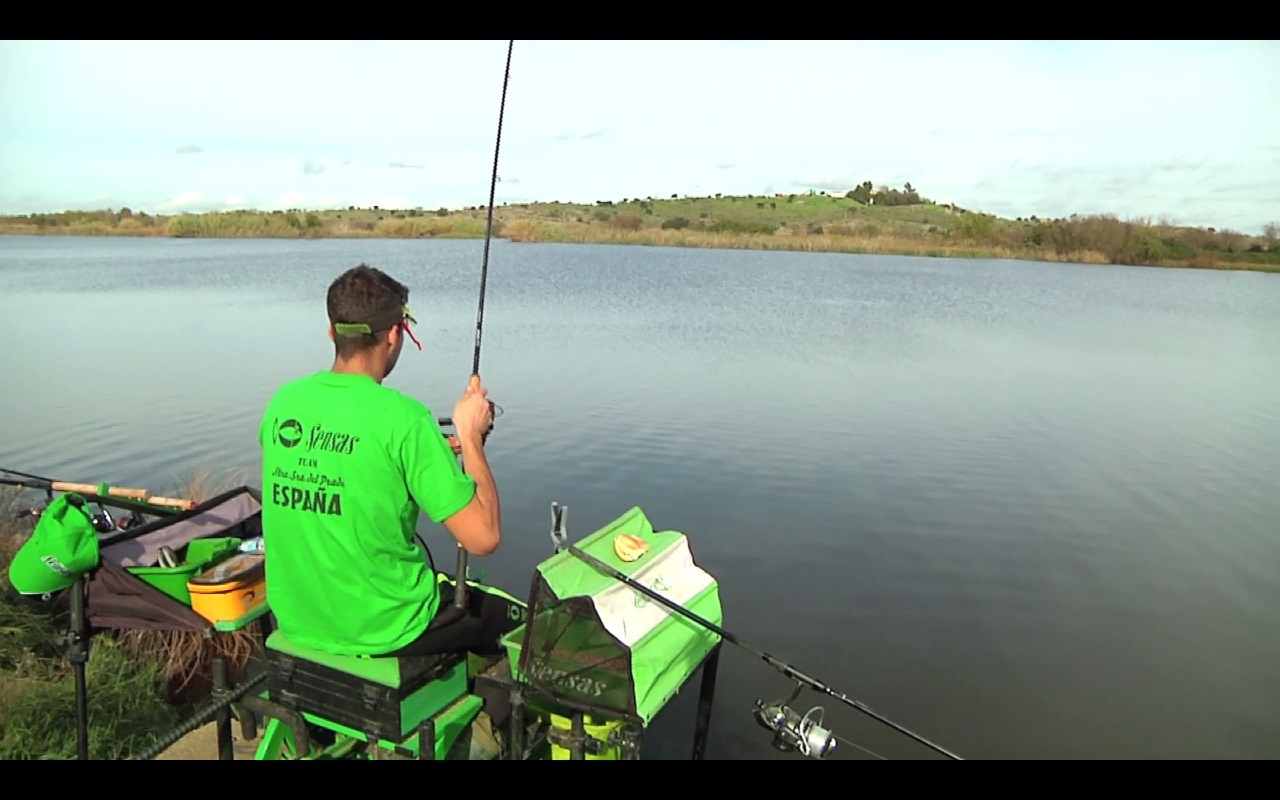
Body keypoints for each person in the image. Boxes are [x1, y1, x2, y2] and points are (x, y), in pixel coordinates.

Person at [257, 264, 523, 669]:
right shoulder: (405, 419)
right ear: (395, 335)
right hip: (387, 627)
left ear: (332, 332)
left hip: (297, 619)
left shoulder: (284, 402)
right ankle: (492, 723)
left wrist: (424, 457)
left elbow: (342, 459)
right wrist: (470, 437)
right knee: (519, 622)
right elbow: (483, 539)